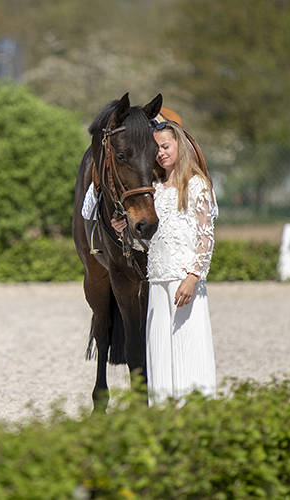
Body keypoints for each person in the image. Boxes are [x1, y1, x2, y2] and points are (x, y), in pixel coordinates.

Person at [112, 109, 218, 406]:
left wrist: (193, 276)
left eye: (165, 146)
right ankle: (163, 409)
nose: (160, 153)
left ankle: (194, 408)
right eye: (156, 148)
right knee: (159, 347)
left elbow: (206, 237)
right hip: (157, 280)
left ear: (178, 146)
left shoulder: (196, 186)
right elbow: (151, 244)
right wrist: (127, 233)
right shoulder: (155, 191)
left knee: (188, 345)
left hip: (184, 281)